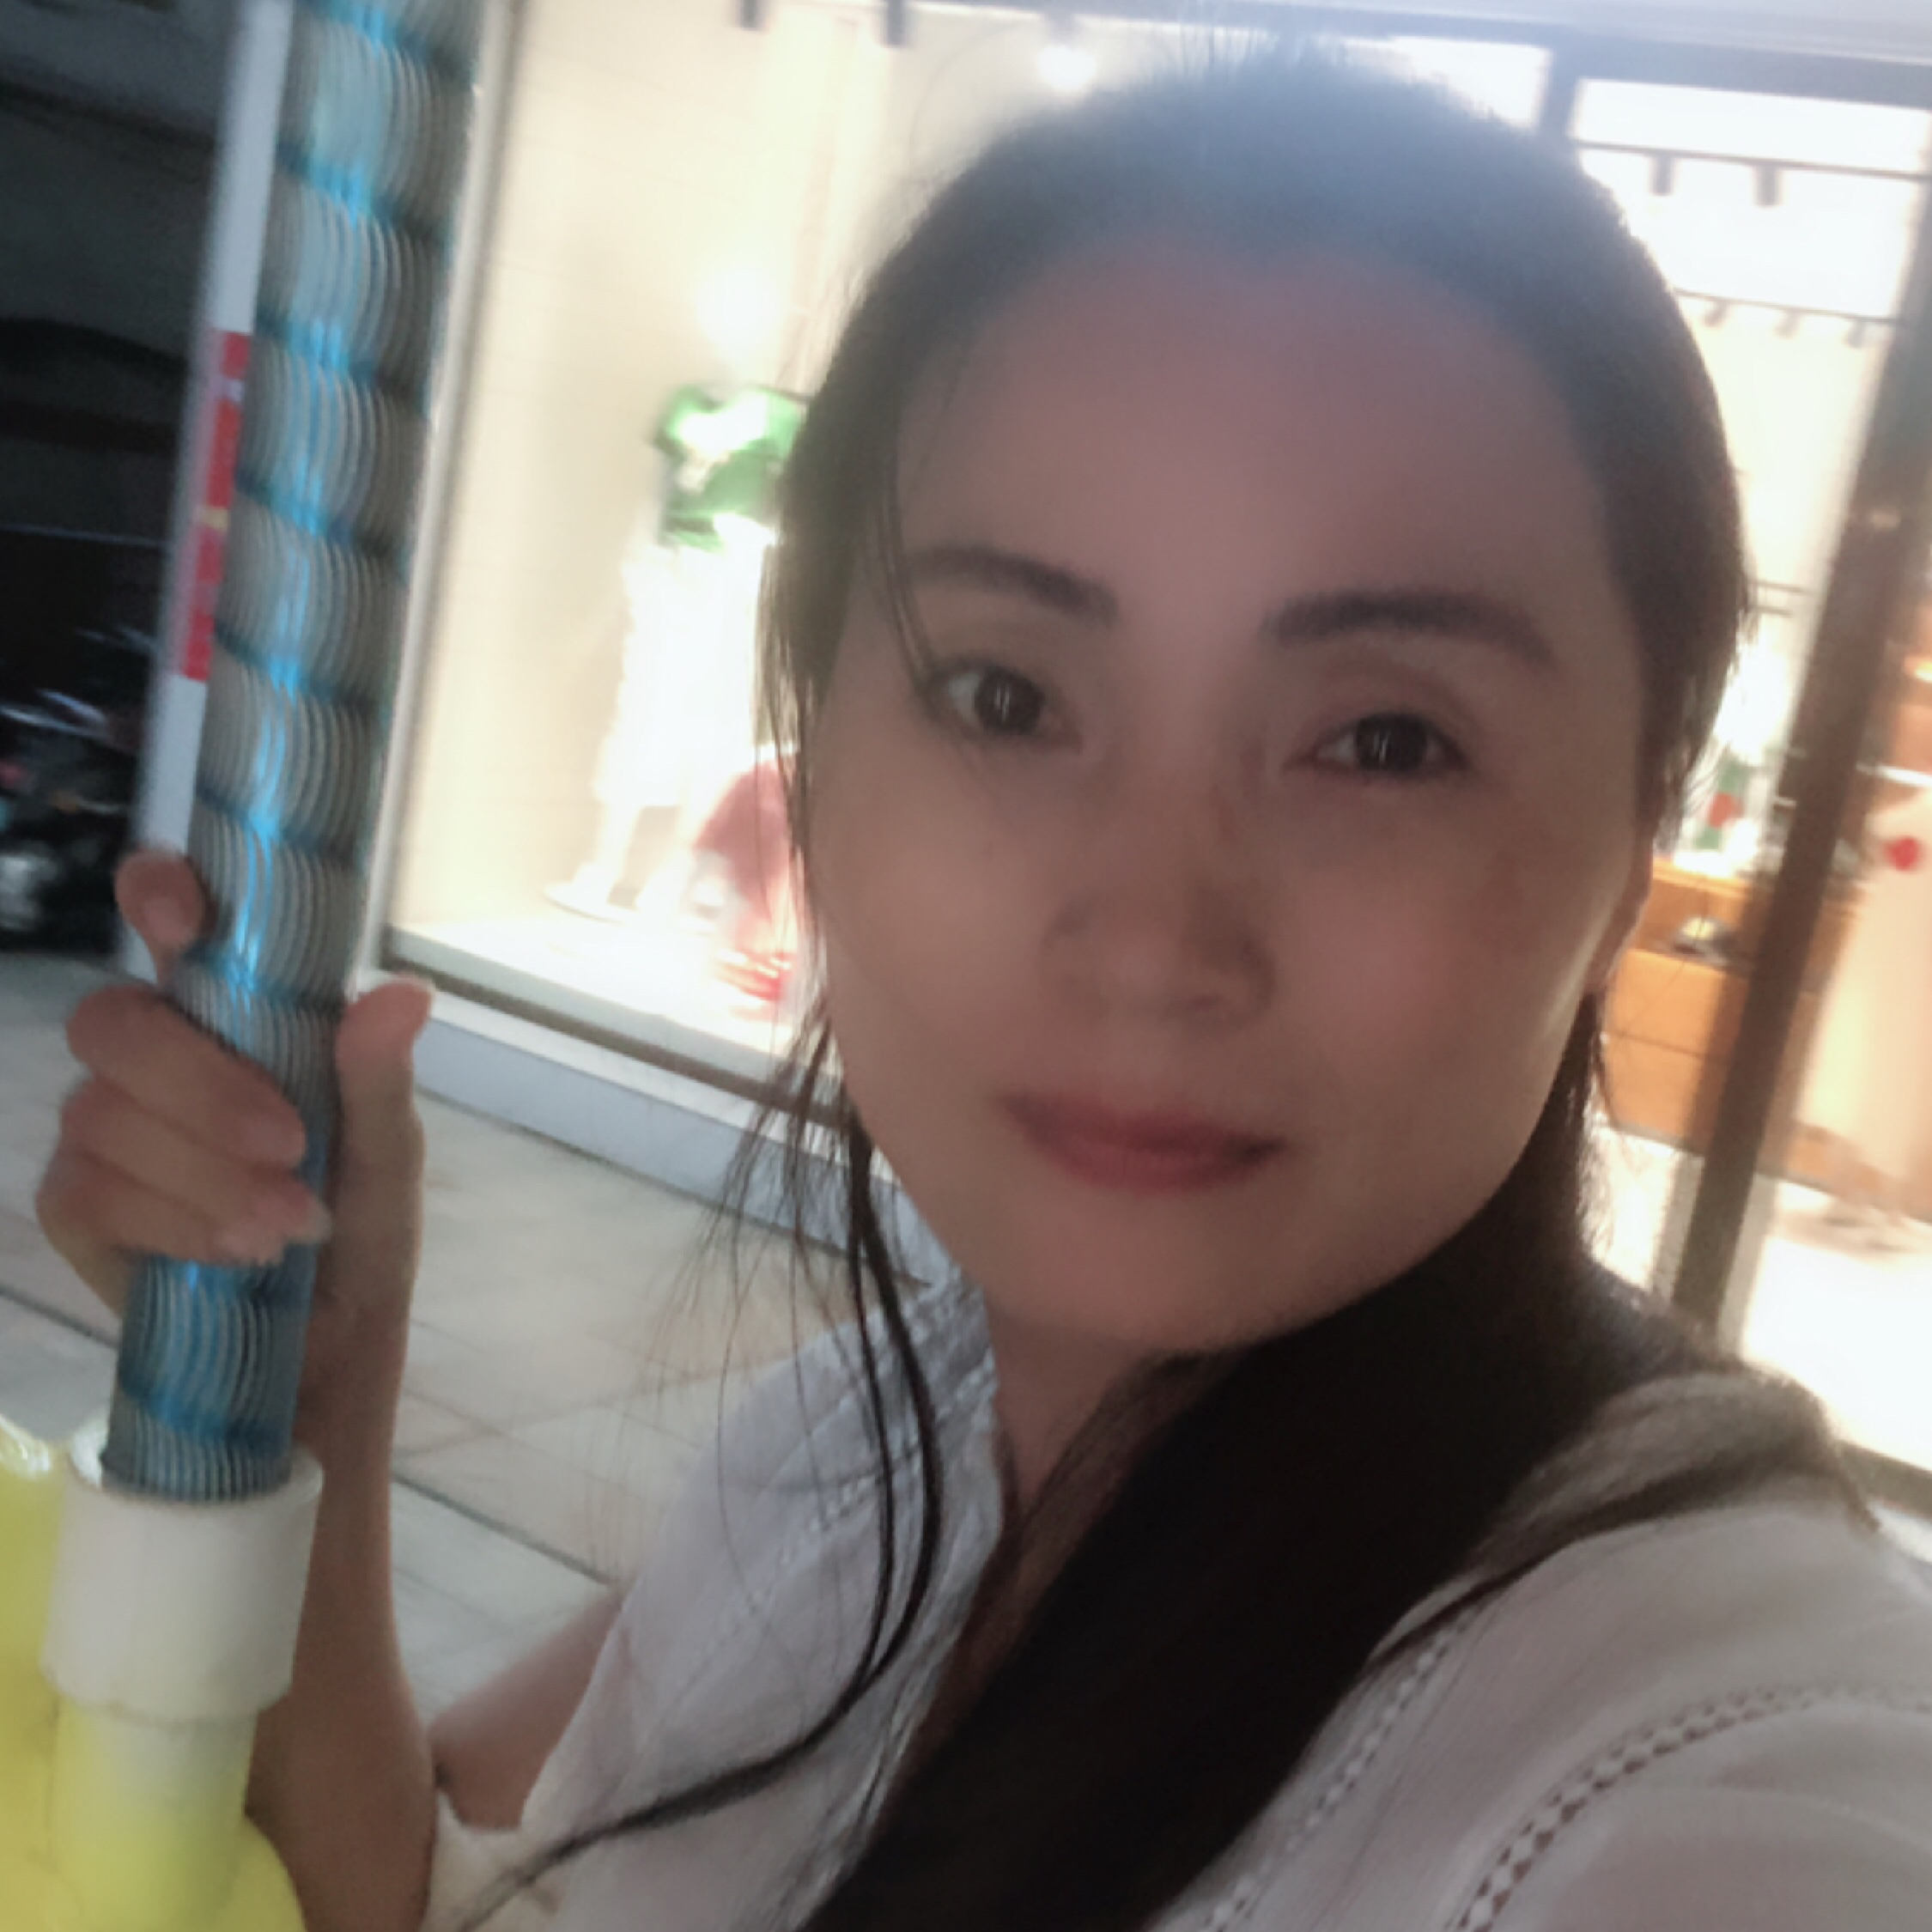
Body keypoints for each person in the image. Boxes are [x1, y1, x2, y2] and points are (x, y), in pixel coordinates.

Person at [37, 55, 1932, 1932]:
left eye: (1383, 740)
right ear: (814, 754)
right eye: (1007, 697)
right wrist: (308, 1400)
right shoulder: (851, 1458)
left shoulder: (1719, 1770)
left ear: (1633, 848)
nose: (1154, 940)